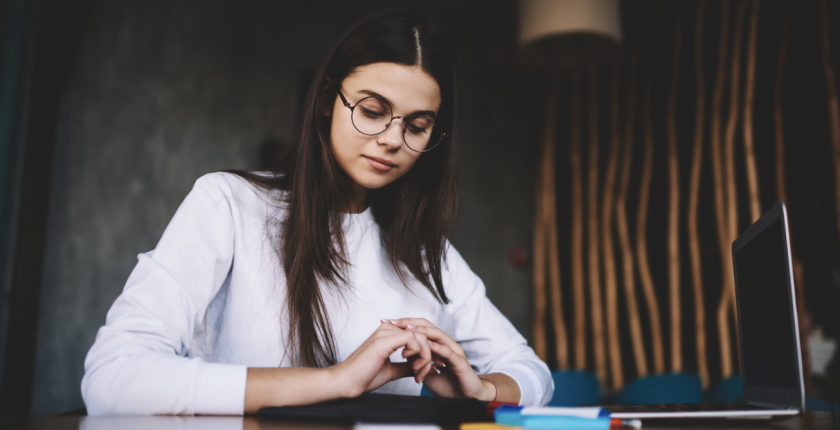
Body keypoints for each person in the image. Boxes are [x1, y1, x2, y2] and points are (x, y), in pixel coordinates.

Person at [81, 8, 553, 416]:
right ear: (328, 99)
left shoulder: (431, 256)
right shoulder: (227, 205)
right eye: (372, 110)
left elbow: (533, 375)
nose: (392, 139)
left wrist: (484, 390)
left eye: (417, 125)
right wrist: (335, 381)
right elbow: (113, 377)